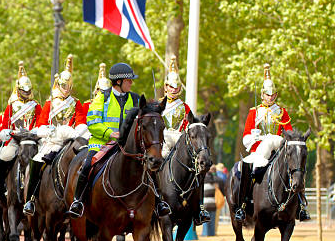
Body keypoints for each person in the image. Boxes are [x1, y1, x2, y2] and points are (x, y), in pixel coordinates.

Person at [67, 62, 150, 218]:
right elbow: (92, 123)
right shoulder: (101, 98)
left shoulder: (136, 99)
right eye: (129, 80)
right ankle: (77, 201)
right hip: (101, 143)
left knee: (150, 166)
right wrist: (110, 133)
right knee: (86, 166)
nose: (131, 83)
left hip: (126, 146)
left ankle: (158, 202)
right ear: (118, 82)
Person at [235, 63, 310, 222]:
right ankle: (243, 205)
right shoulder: (254, 112)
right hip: (259, 149)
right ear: (262, 95)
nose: (271, 97)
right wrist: (254, 137)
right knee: (246, 168)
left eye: (273, 95)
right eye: (268, 95)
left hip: (278, 147)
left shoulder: (282, 112)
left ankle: (301, 206)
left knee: (296, 168)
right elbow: (246, 136)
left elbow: (288, 132)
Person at [23, 54, 88, 215]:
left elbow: (81, 122)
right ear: (59, 84)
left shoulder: (76, 103)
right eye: (64, 86)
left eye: (69, 86)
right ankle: (30, 200)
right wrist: (51, 131)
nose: (66, 89)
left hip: (71, 140)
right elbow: (41, 125)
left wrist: (75, 132)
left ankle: (81, 200)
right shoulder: (50, 103)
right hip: (52, 141)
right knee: (37, 161)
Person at [0, 61, 41, 214]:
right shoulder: (11, 106)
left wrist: (36, 132)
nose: (27, 93)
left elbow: (41, 121)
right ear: (18, 90)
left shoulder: (36, 105)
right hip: (15, 141)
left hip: (31, 140)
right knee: (1, 157)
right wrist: (7, 133)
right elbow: (4, 125)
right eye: (24, 91)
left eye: (28, 90)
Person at [160, 56, 210, 225]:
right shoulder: (159, 104)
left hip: (180, 141)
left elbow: (190, 127)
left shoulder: (185, 107)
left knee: (198, 170)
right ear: (166, 87)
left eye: (177, 87)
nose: (174, 90)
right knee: (154, 164)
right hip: (163, 140)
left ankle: (199, 209)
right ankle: (152, 199)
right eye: (171, 86)